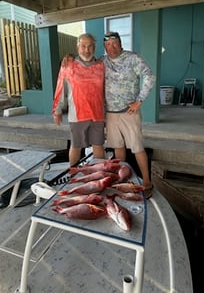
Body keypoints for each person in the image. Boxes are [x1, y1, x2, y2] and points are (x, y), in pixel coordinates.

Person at [102, 31, 156, 198]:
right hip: (110, 114)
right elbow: (85, 64)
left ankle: (147, 181)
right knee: (118, 147)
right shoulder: (102, 61)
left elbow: (149, 76)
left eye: (115, 43)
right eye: (108, 45)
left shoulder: (133, 58)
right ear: (105, 47)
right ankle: (122, 180)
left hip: (129, 112)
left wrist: (139, 101)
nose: (112, 47)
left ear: (120, 43)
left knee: (138, 147)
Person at [52, 33, 105, 166]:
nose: (87, 50)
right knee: (76, 146)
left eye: (90, 46)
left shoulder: (101, 66)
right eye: (83, 46)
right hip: (77, 115)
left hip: (97, 115)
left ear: (94, 47)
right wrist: (57, 110)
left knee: (98, 145)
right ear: (77, 47)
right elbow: (60, 88)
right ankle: (73, 174)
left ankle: (100, 175)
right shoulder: (68, 65)